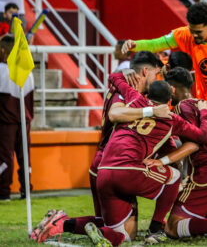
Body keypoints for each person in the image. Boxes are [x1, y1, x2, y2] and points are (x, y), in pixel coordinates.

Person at [33, 51, 172, 242]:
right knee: (122, 236)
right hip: (111, 162)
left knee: (110, 224)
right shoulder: (124, 93)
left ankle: (60, 223)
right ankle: (62, 223)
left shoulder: (128, 90)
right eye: (155, 74)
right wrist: (151, 111)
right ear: (145, 71)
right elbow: (115, 115)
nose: (157, 80)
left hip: (109, 162)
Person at [91, 77, 207, 246]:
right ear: (169, 101)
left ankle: (75, 226)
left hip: (103, 171)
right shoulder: (171, 119)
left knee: (122, 235)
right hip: (128, 171)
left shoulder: (134, 97)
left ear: (148, 94)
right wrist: (205, 113)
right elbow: (204, 137)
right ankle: (155, 229)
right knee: (175, 176)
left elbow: (114, 77)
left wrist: (128, 74)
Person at [144, 67, 207, 244]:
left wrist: (162, 161)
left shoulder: (182, 107)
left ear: (172, 88)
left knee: (172, 227)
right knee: (203, 226)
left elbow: (194, 144)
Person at [0, 36, 34, 201]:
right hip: (24, 120)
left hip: (5, 122)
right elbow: (31, 100)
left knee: (4, 157)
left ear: (3, 50)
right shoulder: (27, 71)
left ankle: (3, 191)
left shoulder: (0, 70)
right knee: (24, 157)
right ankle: (26, 190)